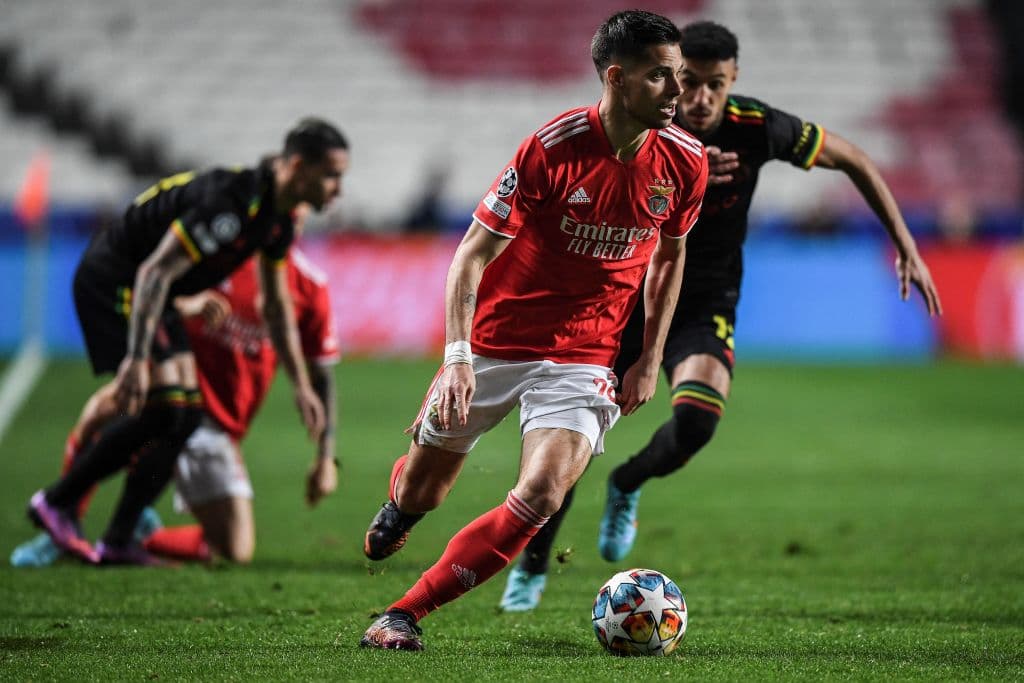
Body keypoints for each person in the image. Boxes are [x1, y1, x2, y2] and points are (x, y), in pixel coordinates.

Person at [499, 20, 944, 612]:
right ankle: (532, 564)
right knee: (575, 435)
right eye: (688, 83)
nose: (700, 99)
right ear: (669, 75)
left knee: (699, 422)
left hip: (706, 298)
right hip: (626, 296)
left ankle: (628, 483)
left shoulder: (757, 127)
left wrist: (905, 243)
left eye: (716, 85)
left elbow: (855, 157)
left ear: (733, 81)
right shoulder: (648, 121)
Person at [358, 10, 708, 651]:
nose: (678, 92)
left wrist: (648, 357)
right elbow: (470, 255)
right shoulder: (551, 148)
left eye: (679, 75)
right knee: (425, 486)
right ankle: (401, 507)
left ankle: (402, 615)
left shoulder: (685, 162)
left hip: (586, 353)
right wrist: (458, 357)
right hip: (496, 341)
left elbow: (670, 258)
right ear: (617, 78)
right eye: (661, 77)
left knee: (543, 493)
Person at [25, 118, 348, 565]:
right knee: (167, 407)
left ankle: (118, 537)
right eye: (331, 175)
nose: (338, 189)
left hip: (158, 295)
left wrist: (299, 386)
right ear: (298, 166)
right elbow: (153, 271)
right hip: (116, 282)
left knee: (182, 415)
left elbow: (276, 308)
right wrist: (137, 358)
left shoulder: (275, 221)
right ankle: (59, 503)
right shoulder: (233, 205)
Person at [12, 235, 341, 566]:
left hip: (220, 426)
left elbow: (322, 376)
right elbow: (150, 291)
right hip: (175, 395)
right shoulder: (215, 254)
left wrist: (326, 458)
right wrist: (188, 305)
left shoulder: (310, 285)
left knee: (236, 549)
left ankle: (142, 535)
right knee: (101, 411)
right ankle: (59, 532)